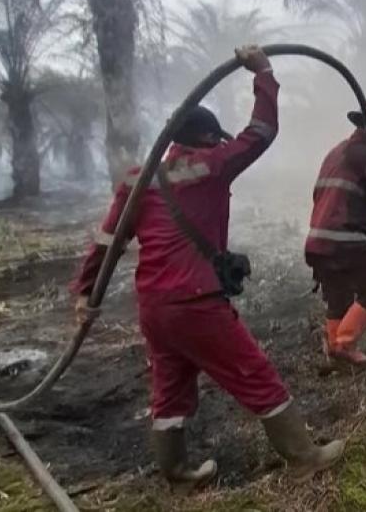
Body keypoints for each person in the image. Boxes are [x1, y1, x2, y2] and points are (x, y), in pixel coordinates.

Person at [70, 45, 343, 490]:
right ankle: (303, 456)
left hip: (155, 306)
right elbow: (260, 132)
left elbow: (109, 240)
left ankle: (177, 473)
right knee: (254, 374)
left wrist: (85, 292)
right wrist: (264, 74)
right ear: (206, 139)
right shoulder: (211, 166)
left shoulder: (138, 180)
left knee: (170, 386)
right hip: (195, 299)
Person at [306, 105, 366, 365]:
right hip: (346, 238)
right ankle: (344, 345)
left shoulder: (336, 152)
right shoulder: (365, 153)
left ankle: (335, 349)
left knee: (339, 296)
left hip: (318, 240)